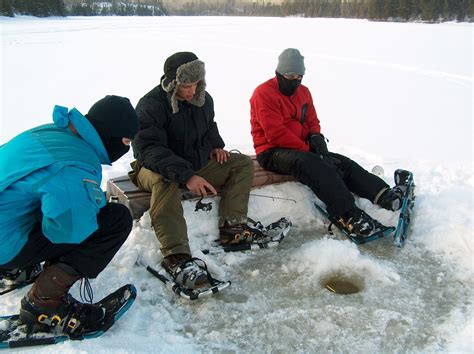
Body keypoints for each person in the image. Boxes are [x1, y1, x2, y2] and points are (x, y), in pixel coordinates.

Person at [0, 95, 138, 334]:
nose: (125, 149)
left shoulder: (53, 133)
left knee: (41, 201)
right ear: (110, 134)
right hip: (5, 242)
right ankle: (44, 304)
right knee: (115, 220)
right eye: (126, 141)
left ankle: (14, 268)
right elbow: (69, 230)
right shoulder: (78, 163)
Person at [131, 51, 263, 290]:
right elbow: (148, 150)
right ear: (172, 83)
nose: (192, 91)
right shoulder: (151, 105)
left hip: (193, 164)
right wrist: (186, 175)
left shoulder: (202, 98)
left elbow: (209, 125)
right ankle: (176, 256)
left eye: (196, 84)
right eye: (186, 85)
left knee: (242, 163)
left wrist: (216, 145)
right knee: (164, 182)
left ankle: (232, 227)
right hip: (152, 168)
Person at [250, 48, 402, 238]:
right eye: (290, 75)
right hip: (272, 151)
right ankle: (348, 214)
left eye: (299, 75)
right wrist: (309, 150)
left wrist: (317, 138)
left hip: (302, 148)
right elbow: (275, 134)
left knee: (339, 162)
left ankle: (381, 193)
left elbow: (313, 120)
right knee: (313, 164)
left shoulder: (303, 92)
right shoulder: (264, 93)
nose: (295, 79)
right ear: (279, 73)